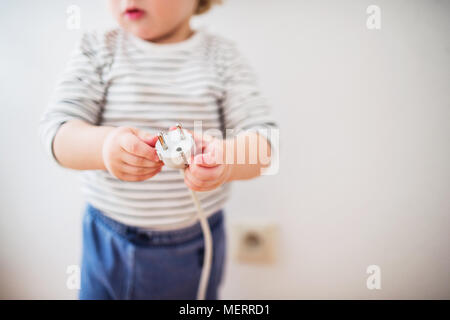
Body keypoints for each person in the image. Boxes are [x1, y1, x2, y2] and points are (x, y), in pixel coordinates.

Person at [39, 0, 277, 300]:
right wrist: (105, 147)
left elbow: (265, 145)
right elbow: (57, 134)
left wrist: (226, 160)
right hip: (106, 239)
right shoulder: (98, 49)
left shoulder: (222, 57)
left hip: (193, 244)